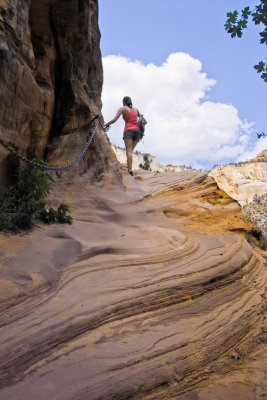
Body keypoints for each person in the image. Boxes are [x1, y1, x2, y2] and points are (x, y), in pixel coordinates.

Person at [104, 96, 145, 176]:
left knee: (128, 151)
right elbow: (145, 121)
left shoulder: (122, 109)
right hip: (137, 132)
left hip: (129, 131)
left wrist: (105, 124)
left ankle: (130, 170)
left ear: (124, 102)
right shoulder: (136, 110)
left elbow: (114, 120)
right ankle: (129, 167)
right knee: (129, 151)